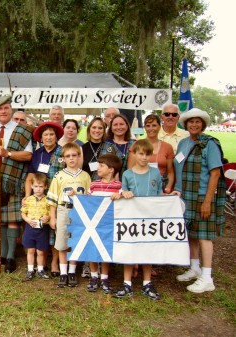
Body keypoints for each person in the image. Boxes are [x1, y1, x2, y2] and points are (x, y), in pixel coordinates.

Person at [173, 108, 226, 293]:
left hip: (203, 196)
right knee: (191, 234)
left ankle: (207, 277)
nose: (194, 125)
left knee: (204, 236)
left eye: (198, 122)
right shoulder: (183, 143)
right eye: (191, 122)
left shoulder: (209, 144)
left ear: (202, 125)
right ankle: (194, 268)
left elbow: (215, 173)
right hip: (185, 196)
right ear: (186, 124)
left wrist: (207, 201)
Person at [0, 95, 33, 273]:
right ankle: (2, 256)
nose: (3, 111)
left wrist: (8, 154)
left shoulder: (22, 130)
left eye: (6, 108)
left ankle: (11, 257)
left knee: (12, 219)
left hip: (12, 178)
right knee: (1, 219)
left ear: (10, 109)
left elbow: (28, 156)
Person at [113, 139, 163, 300]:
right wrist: (123, 194)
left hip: (150, 220)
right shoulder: (127, 174)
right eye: (141, 154)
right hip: (132, 220)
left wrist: (172, 198)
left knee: (147, 251)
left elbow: (160, 194)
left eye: (148, 154)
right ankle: (127, 282)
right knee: (131, 249)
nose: (144, 157)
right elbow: (122, 193)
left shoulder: (155, 173)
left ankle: (147, 282)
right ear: (134, 154)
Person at [47, 143, 91, 288]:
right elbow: (52, 199)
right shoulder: (59, 176)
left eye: (74, 155)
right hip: (63, 210)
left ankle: (72, 271)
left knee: (75, 242)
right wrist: (52, 217)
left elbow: (90, 196)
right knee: (62, 243)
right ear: (63, 159)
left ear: (79, 157)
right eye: (68, 156)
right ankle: (63, 272)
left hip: (79, 212)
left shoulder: (85, 176)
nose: (71, 159)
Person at [24, 121, 64, 277]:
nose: (48, 137)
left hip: (57, 196)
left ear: (56, 136)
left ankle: (54, 262)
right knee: (40, 228)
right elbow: (30, 177)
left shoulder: (62, 152)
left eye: (51, 134)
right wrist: (28, 196)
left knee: (55, 229)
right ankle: (40, 262)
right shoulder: (37, 153)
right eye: (45, 134)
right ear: (41, 138)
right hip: (39, 195)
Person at [86, 154, 122, 294]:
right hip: (93, 224)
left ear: (111, 169)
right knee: (92, 249)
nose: (98, 168)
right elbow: (86, 202)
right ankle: (94, 276)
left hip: (108, 224)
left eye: (101, 165)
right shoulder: (94, 184)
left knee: (105, 250)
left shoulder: (118, 186)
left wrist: (120, 196)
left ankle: (105, 278)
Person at [128, 114, 175, 193]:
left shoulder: (167, 147)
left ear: (159, 127)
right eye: (148, 126)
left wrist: (168, 187)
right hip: (140, 185)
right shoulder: (136, 145)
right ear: (145, 128)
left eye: (154, 125)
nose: (151, 128)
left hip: (161, 186)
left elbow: (170, 172)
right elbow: (130, 169)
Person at [21, 173, 51, 281]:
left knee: (41, 251)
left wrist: (48, 218)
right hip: (30, 228)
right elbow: (23, 213)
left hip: (42, 229)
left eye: (41, 186)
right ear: (32, 186)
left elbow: (51, 213)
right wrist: (27, 220)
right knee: (31, 250)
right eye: (36, 186)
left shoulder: (48, 200)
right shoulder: (28, 200)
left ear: (45, 187)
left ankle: (40, 269)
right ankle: (30, 270)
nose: (38, 189)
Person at [81, 117, 121, 181]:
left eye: (100, 128)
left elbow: (116, 171)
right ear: (89, 129)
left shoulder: (111, 147)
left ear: (104, 131)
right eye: (94, 127)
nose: (97, 130)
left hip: (106, 187)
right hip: (87, 185)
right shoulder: (82, 148)